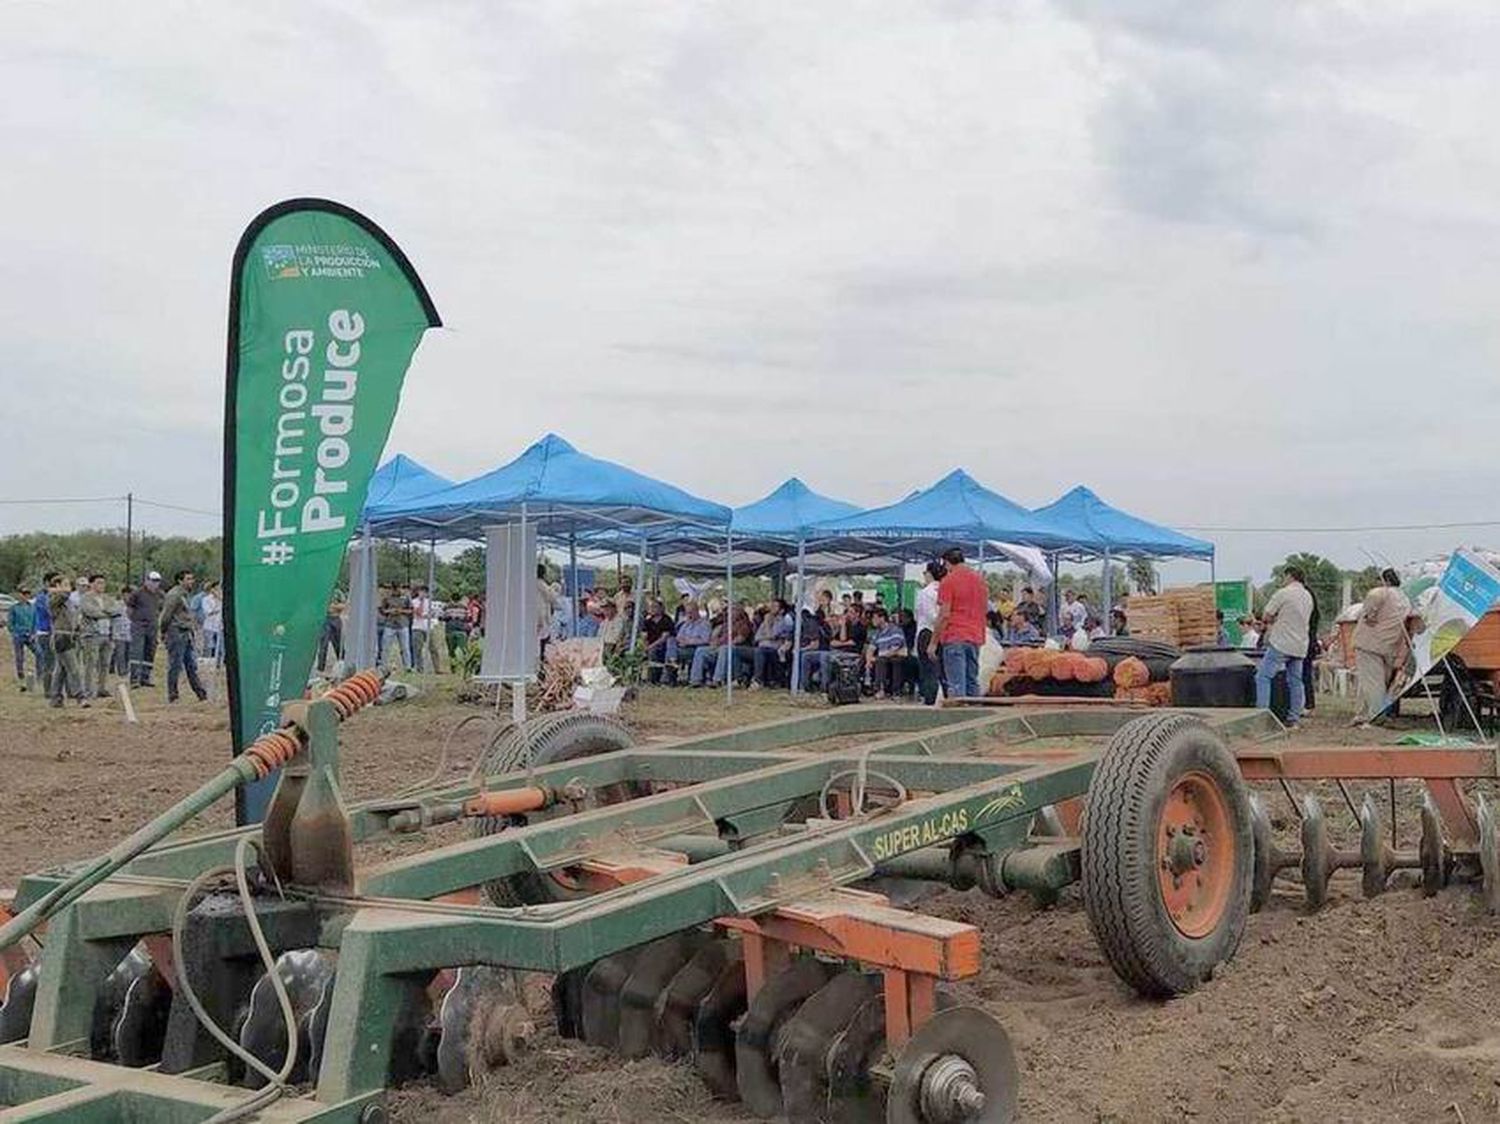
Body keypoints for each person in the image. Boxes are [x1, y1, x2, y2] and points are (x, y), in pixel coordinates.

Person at [1255, 566, 1314, 727]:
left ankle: (1262, 716)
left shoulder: (1283, 593)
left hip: (1282, 643)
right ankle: (1293, 718)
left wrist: (1270, 621)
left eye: (1284, 577)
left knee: (1263, 677)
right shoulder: (1308, 596)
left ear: (1289, 576)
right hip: (1300, 644)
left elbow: (1267, 615)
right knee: (1295, 681)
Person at [1351, 568, 1412, 725]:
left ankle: (1375, 716)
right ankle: (1363, 714)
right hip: (1389, 645)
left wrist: (1368, 615)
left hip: (1369, 642)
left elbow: (1372, 598)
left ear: (1384, 580)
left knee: (1372, 683)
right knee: (1376, 682)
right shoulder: (1404, 598)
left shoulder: (1381, 592)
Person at [932, 547, 987, 698]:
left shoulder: (948, 581)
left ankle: (959, 716)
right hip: (975, 637)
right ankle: (977, 718)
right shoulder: (980, 580)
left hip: (955, 636)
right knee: (972, 682)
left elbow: (944, 615)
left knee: (956, 685)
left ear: (947, 563)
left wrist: (933, 642)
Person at [159, 569, 208, 703]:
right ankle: (173, 695)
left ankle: (201, 693)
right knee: (175, 665)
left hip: (186, 632)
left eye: (192, 578)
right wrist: (163, 631)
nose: (191, 581)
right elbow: (166, 615)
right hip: (176, 632)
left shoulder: (185, 594)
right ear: (180, 580)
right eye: (188, 579)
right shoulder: (174, 595)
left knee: (191, 665)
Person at [46, 572, 88, 708]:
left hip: (70, 636)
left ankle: (55, 697)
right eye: (65, 584)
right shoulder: (54, 599)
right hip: (61, 637)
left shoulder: (67, 602)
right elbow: (64, 595)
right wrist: (57, 589)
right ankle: (80, 696)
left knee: (61, 670)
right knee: (74, 668)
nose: (69, 588)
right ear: (57, 586)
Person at [78, 573, 114, 698]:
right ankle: (88, 690)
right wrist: (106, 613)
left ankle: (101, 688)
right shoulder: (85, 598)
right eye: (98, 582)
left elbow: (116, 609)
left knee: (105, 663)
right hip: (92, 634)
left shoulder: (108, 598)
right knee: (90, 663)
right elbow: (91, 612)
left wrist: (106, 612)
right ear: (91, 584)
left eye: (103, 583)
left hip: (107, 633)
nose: (102, 585)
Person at [126, 571, 164, 687]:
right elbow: (129, 608)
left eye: (157, 581)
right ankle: (134, 679)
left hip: (152, 626)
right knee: (137, 652)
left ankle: (145, 677)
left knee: (150, 651)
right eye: (152, 580)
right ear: (146, 580)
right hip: (139, 626)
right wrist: (135, 620)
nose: (154, 583)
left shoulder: (160, 594)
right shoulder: (137, 593)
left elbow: (161, 608)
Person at [750, 600, 794, 688]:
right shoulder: (767, 619)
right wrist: (766, 636)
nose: (772, 608)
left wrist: (766, 624)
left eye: (775, 606)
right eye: (772, 606)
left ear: (781, 610)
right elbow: (757, 637)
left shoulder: (783, 621)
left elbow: (772, 635)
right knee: (733, 650)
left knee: (760, 651)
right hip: (760, 647)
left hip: (774, 649)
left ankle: (758, 681)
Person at [867, 607, 909, 698]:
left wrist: (878, 656)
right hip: (884, 657)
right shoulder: (876, 633)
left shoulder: (895, 630)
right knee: (879, 660)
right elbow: (870, 649)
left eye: (874, 618)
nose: (872, 620)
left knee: (890, 660)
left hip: (897, 655)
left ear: (882, 618)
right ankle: (878, 689)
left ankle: (896, 691)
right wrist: (868, 660)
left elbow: (895, 649)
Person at [673, 601, 710, 684]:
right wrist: (683, 641)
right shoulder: (686, 624)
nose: (689, 615)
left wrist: (689, 641)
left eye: (691, 612)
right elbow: (678, 637)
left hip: (695, 649)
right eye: (687, 613)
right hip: (683, 647)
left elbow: (705, 640)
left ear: (696, 611)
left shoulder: (704, 624)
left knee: (674, 653)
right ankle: (669, 672)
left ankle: (672, 663)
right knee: (670, 643)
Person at [8, 584, 37, 690]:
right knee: (19, 658)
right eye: (23, 594)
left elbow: (35, 621)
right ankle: (21, 678)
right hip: (19, 635)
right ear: (19, 595)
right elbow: (10, 623)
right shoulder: (14, 608)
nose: (25, 596)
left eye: (27, 594)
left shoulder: (32, 608)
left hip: (30, 635)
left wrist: (33, 633)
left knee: (39, 653)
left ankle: (40, 675)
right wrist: (15, 633)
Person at [641, 599, 676, 681]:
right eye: (651, 607)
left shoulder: (667, 620)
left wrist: (650, 647)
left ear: (661, 608)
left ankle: (653, 678)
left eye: (655, 607)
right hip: (649, 645)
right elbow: (644, 636)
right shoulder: (647, 621)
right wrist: (645, 646)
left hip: (663, 645)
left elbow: (664, 637)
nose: (652, 609)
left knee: (653, 651)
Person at [318, 591, 345, 672]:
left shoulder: (338, 593)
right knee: (323, 645)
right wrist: (333, 608)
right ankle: (320, 668)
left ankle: (343, 664)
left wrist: (332, 607)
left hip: (336, 619)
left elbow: (343, 606)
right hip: (325, 619)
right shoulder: (323, 591)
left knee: (338, 645)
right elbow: (320, 605)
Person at [33, 581, 53, 689]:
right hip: (44, 632)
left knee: (53, 662)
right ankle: (47, 688)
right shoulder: (41, 598)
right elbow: (48, 611)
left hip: (54, 632)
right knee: (47, 660)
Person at [200, 581, 224, 668]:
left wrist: (220, 599)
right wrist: (218, 602)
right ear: (212, 589)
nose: (218, 590)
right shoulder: (206, 599)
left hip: (220, 627)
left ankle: (219, 665)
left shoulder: (223, 599)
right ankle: (209, 664)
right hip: (209, 626)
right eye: (216, 589)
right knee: (209, 646)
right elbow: (208, 612)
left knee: (221, 648)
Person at [111, 589, 132, 678]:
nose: (128, 597)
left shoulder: (135, 606)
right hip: (118, 633)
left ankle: (125, 669)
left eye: (129, 595)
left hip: (130, 633)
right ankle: (122, 672)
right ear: (122, 595)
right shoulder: (116, 605)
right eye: (126, 595)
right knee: (120, 653)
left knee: (128, 653)